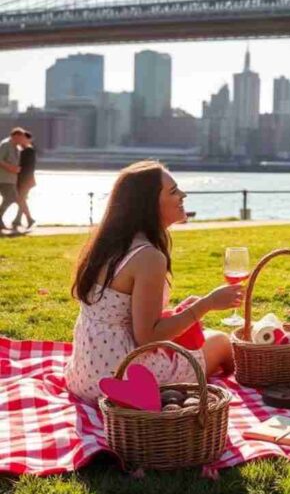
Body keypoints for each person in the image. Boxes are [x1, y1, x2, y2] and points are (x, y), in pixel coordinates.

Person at [65, 160, 242, 404]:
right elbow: (146, 337)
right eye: (173, 192)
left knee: (204, 339)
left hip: (84, 375)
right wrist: (208, 304)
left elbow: (121, 312)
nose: (183, 195)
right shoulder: (148, 257)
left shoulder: (109, 243)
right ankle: (253, 392)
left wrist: (181, 312)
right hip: (123, 377)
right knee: (221, 341)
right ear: (148, 205)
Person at [0, 127, 30, 231]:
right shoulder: (5, 145)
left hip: (12, 179)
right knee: (11, 198)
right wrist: (11, 168)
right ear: (15, 136)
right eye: (21, 138)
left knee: (13, 198)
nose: (22, 140)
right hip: (3, 179)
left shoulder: (17, 148)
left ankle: (2, 221)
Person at [11, 130, 36, 231]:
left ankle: (27, 219)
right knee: (21, 199)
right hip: (24, 179)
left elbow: (28, 167)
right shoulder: (24, 151)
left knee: (20, 199)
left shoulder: (29, 151)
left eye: (23, 139)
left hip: (25, 180)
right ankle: (20, 219)